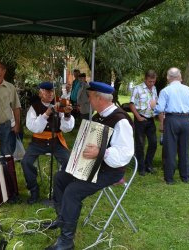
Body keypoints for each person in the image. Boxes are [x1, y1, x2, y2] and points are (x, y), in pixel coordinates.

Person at [45, 82, 134, 250]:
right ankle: (62, 219)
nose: (88, 100)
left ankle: (66, 242)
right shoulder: (100, 114)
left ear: (99, 98)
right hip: (94, 165)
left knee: (72, 191)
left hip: (110, 171)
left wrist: (101, 152)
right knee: (60, 178)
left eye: (90, 96)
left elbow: (125, 155)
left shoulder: (121, 120)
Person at [21, 82, 74, 204]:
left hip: (56, 141)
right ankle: (34, 190)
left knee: (69, 162)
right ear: (40, 93)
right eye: (46, 91)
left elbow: (67, 128)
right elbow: (34, 128)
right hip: (38, 142)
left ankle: (60, 191)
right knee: (26, 162)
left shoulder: (59, 104)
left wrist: (67, 114)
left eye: (51, 91)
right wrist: (46, 114)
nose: (50, 94)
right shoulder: (33, 107)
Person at [152, 67, 189, 185]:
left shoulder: (165, 91)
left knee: (170, 149)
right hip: (185, 120)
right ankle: (185, 177)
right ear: (180, 77)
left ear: (168, 78)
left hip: (172, 120)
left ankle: (169, 178)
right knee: (184, 149)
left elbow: (160, 109)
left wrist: (153, 105)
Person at [129, 70, 158, 176]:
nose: (152, 84)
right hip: (140, 119)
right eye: (150, 81)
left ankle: (148, 165)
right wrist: (138, 117)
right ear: (145, 79)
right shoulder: (137, 88)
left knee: (153, 143)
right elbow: (131, 104)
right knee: (140, 144)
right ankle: (141, 167)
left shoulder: (154, 89)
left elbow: (155, 102)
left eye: (154, 81)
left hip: (150, 120)